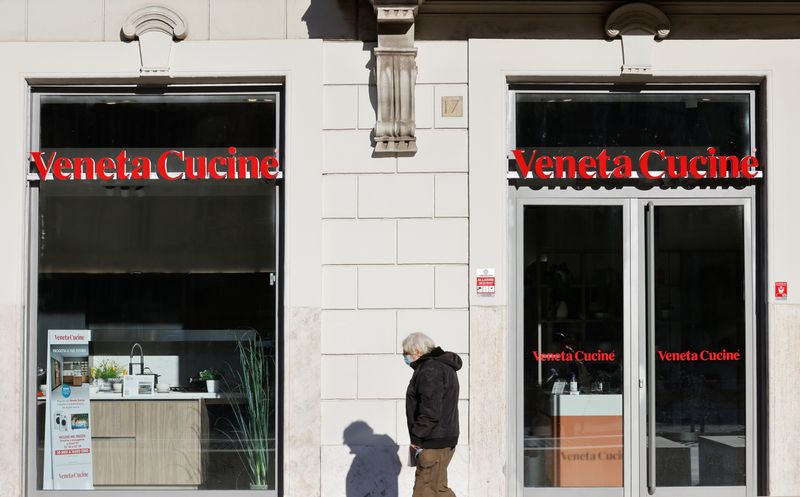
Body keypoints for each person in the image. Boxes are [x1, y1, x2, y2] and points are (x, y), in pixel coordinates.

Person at [402, 332, 462, 497]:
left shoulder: (430, 369)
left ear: (418, 351)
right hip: (443, 439)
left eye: (406, 352)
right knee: (439, 489)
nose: (404, 356)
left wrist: (417, 438)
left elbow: (430, 411)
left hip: (433, 442)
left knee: (424, 491)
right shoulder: (442, 367)